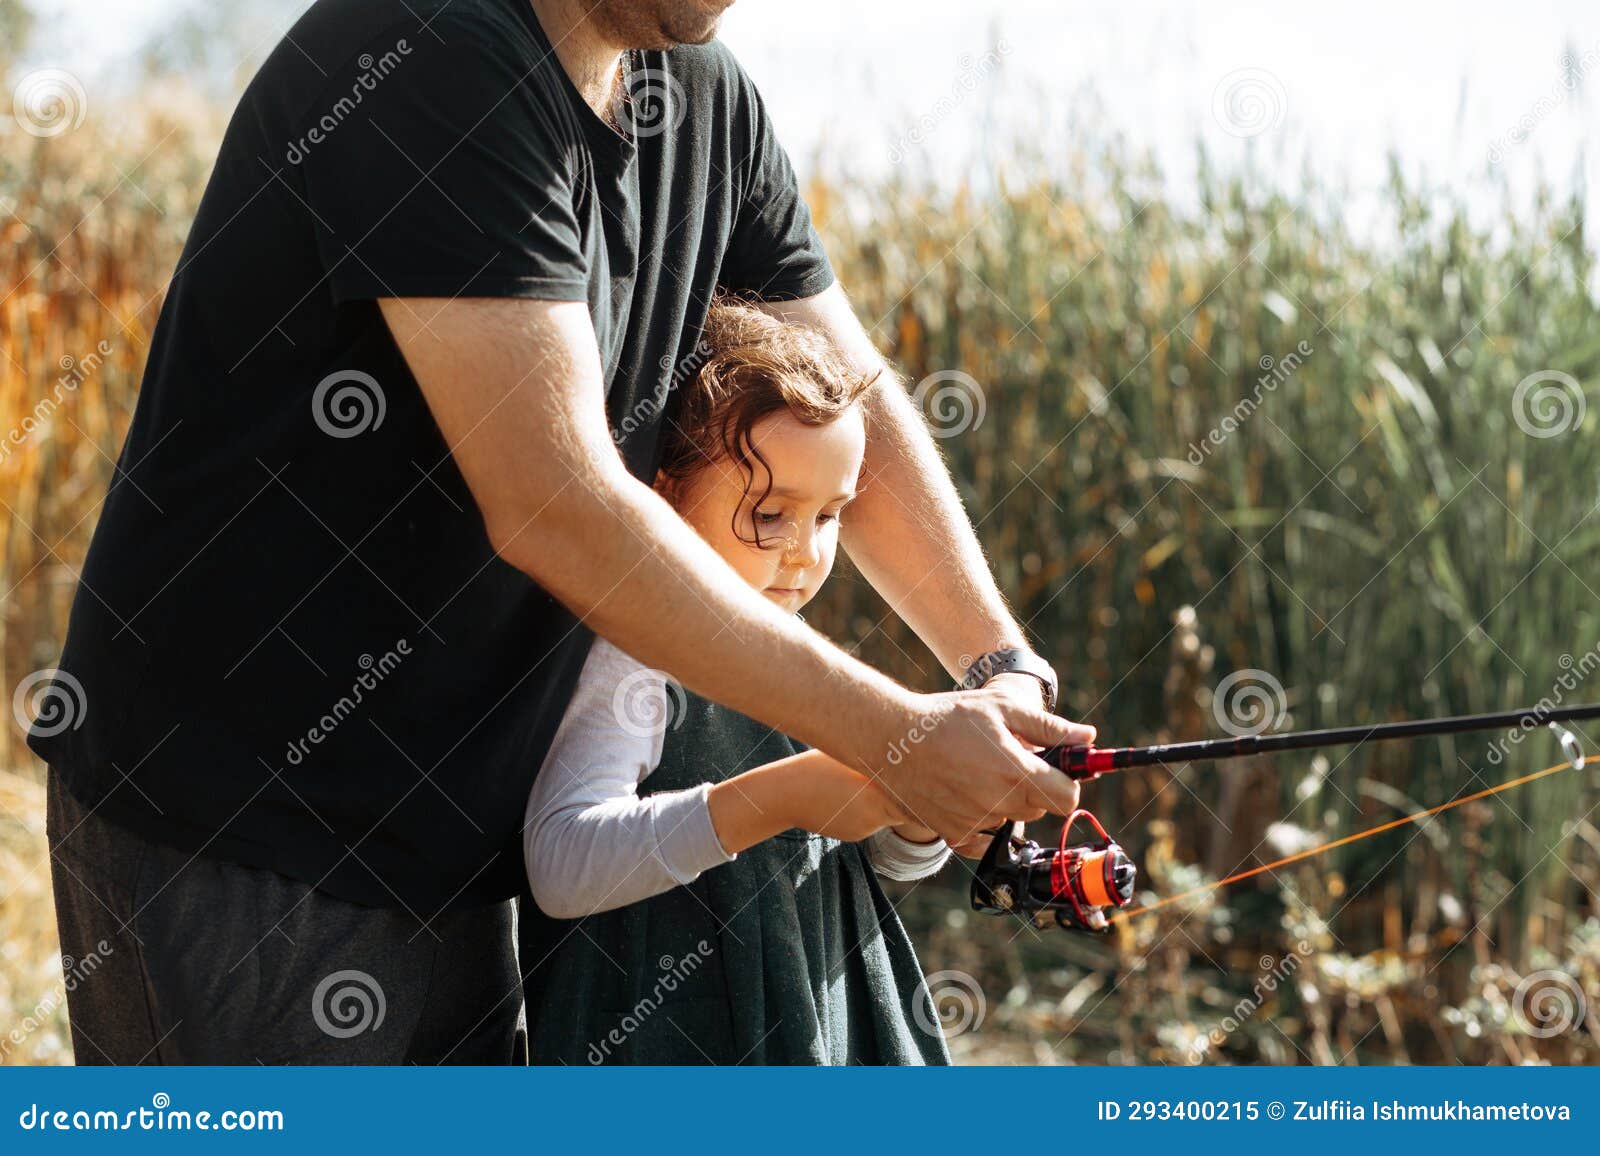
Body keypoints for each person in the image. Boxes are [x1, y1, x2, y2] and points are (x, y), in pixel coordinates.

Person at [34, 0, 1092, 1065]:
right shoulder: (428, 49)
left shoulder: (703, 97)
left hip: (461, 836)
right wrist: (893, 735)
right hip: (248, 819)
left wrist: (998, 665)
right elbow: (557, 504)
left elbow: (845, 404)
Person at [523, 297, 950, 1063]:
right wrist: (784, 797)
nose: (804, 553)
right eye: (769, 512)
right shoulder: (633, 654)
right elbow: (558, 864)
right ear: (660, 497)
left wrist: (919, 817)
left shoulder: (807, 657)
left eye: (828, 517)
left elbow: (870, 870)